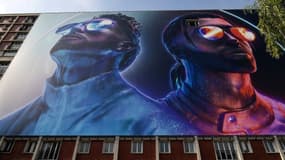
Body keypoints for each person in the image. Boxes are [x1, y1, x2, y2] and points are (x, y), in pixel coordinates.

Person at [0, 14, 188, 135]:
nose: (77, 28)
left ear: (123, 46)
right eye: (76, 25)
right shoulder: (15, 122)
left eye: (97, 26)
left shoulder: (154, 122)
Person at [161, 11, 285, 135]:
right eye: (209, 32)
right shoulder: (160, 117)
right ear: (179, 50)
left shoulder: (282, 115)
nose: (233, 39)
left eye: (238, 32)